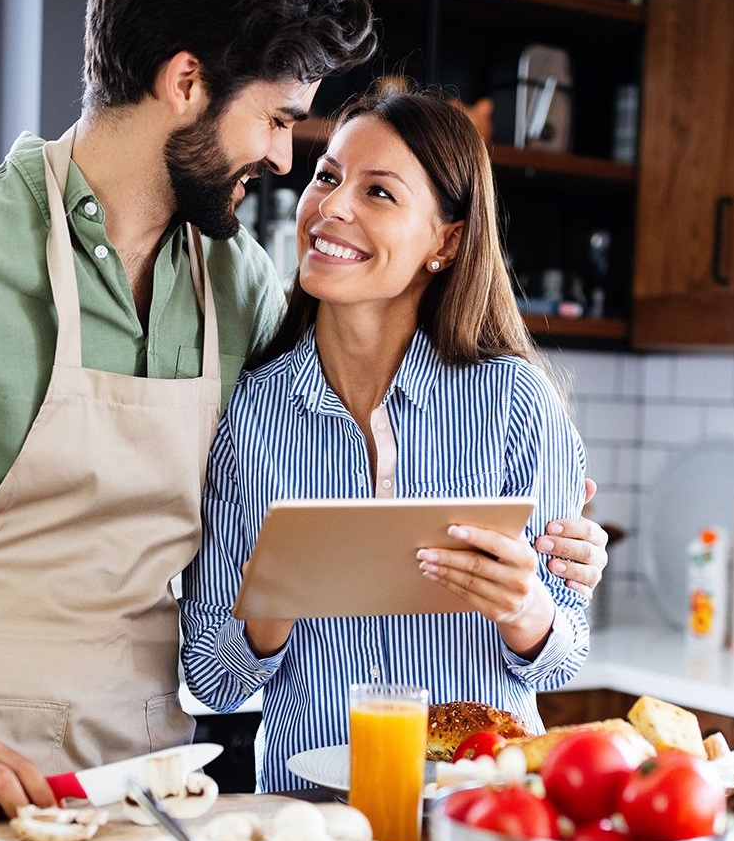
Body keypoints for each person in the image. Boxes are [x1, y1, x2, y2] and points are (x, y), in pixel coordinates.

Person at [0, 0, 612, 824]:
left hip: (145, 784)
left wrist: (561, 563)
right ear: (187, 82)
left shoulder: (237, 287)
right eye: (279, 121)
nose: (285, 161)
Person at [181, 87, 589, 792]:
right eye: (328, 177)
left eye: (380, 193)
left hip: (477, 814)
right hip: (311, 818)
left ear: (447, 240)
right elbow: (211, 679)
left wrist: (526, 609)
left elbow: (563, 657)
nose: (333, 206)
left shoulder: (515, 407)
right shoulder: (250, 416)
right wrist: (273, 604)